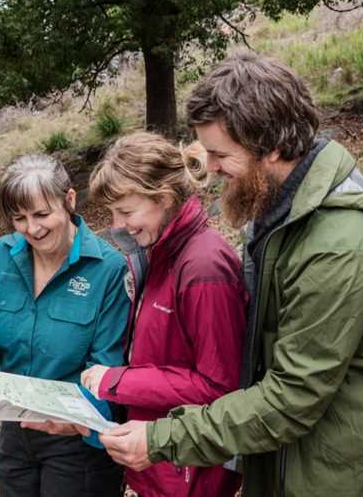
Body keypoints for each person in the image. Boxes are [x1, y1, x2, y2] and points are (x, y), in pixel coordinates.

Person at [99, 52, 363, 497]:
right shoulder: (281, 218)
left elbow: (292, 398)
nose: (207, 168)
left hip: (334, 480)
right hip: (288, 466)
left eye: (219, 154)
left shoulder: (340, 247)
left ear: (270, 147)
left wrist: (162, 439)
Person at [0, 154, 129, 497]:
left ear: (69, 200)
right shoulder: (1, 255)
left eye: (42, 214)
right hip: (15, 435)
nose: (33, 229)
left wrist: (75, 420)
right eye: (19, 218)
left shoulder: (109, 270)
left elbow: (109, 368)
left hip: (77, 443)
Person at [80, 132, 246, 497]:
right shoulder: (157, 251)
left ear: (165, 199)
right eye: (112, 212)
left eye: (125, 211)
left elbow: (219, 387)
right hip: (161, 460)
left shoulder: (203, 266)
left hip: (192, 471)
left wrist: (118, 381)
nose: (117, 225)